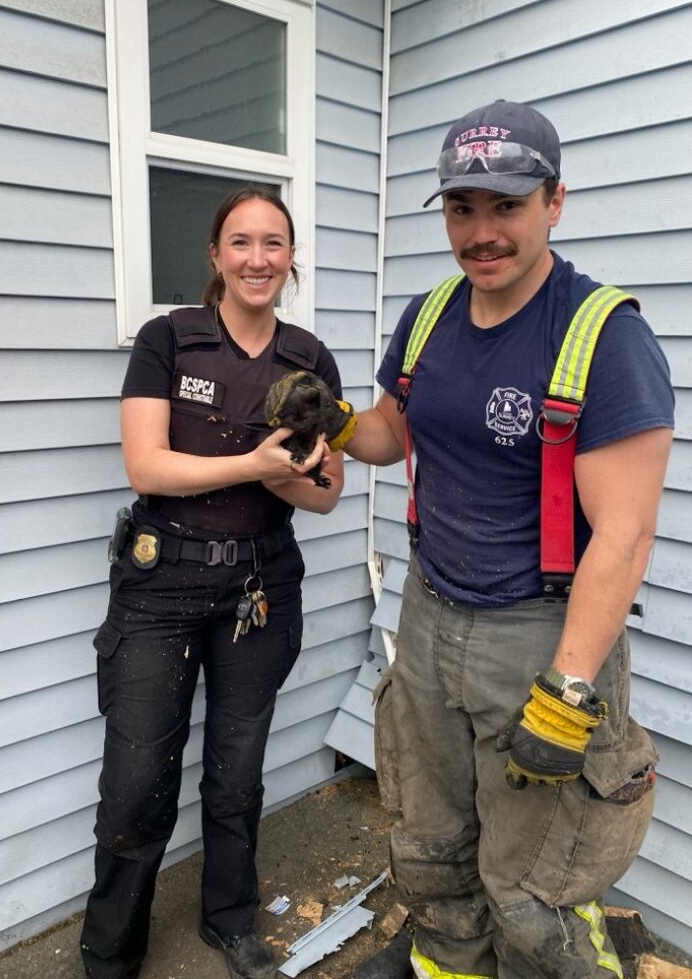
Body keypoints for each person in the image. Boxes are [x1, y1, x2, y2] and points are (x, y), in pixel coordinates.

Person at [344, 100, 675, 978]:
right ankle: (447, 965)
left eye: (506, 206)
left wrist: (569, 691)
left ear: (554, 202)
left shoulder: (605, 337)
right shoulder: (428, 315)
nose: (481, 232)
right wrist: (336, 423)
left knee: (532, 882)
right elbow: (392, 430)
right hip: (427, 614)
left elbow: (627, 535)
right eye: (462, 208)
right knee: (430, 843)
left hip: (539, 634)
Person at [80, 186, 345, 979]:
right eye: (241, 242)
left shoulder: (309, 360)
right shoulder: (171, 339)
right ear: (216, 256)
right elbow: (146, 465)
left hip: (261, 587)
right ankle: (110, 950)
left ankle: (230, 919)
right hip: (162, 586)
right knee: (135, 782)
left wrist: (288, 475)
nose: (257, 258)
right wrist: (255, 463)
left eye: (273, 243)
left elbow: (326, 495)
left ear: (291, 257)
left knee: (238, 770)